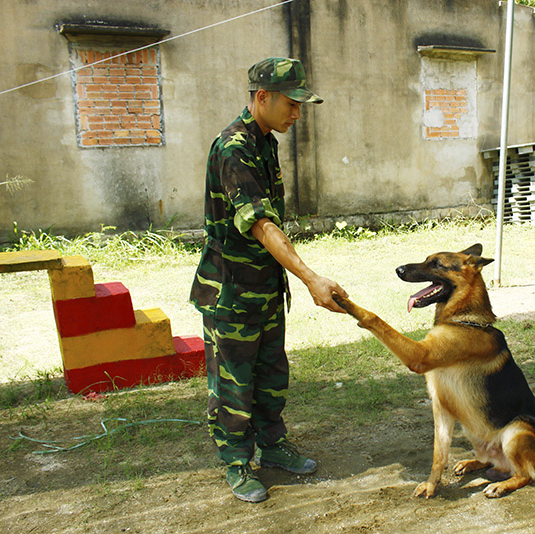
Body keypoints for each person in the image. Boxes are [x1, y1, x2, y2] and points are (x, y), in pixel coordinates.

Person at [190, 57, 347, 503]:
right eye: (292, 103)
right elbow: (261, 224)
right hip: (232, 291)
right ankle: (237, 463)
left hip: (263, 287)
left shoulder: (265, 141)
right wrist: (310, 277)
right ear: (263, 97)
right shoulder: (234, 148)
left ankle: (273, 446)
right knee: (234, 383)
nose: (297, 113)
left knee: (271, 374)